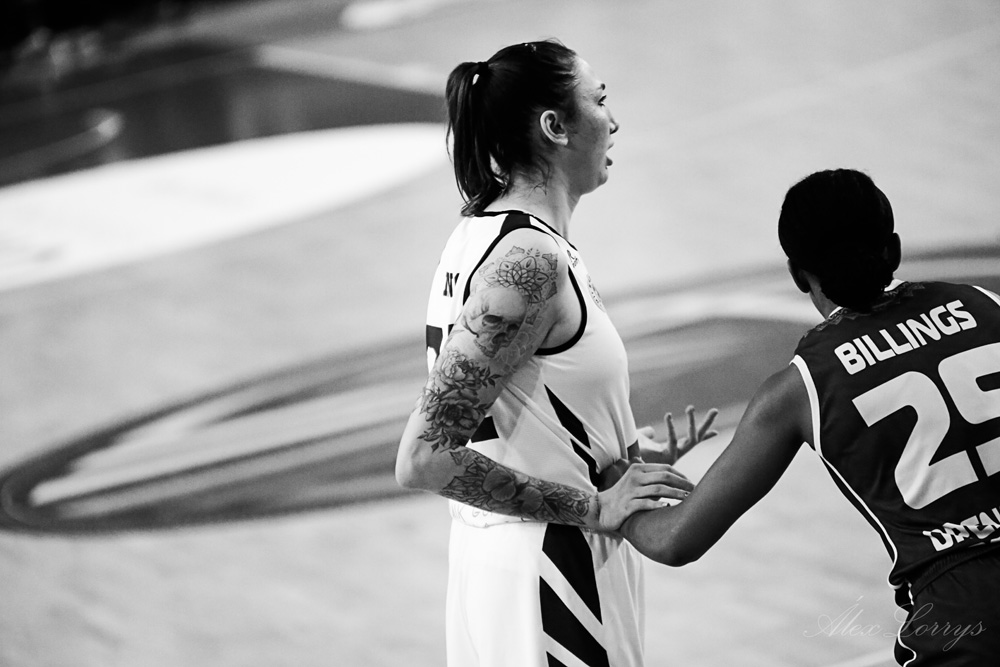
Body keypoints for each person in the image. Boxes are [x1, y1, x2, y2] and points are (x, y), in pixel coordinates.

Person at [395, 39, 715, 667]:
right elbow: (423, 459)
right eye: (599, 101)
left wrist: (608, 453)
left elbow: (516, 406)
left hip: (504, 564)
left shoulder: (484, 234)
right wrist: (594, 504)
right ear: (554, 126)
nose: (613, 121)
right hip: (549, 572)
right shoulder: (529, 262)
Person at [620, 168, 1000, 665]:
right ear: (893, 250)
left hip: (967, 622)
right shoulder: (987, 305)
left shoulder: (798, 390)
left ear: (799, 275)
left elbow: (674, 541)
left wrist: (616, 485)